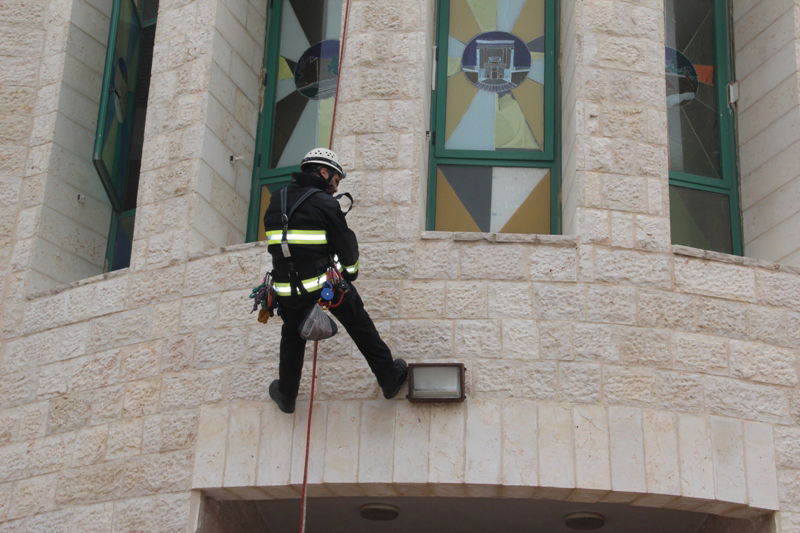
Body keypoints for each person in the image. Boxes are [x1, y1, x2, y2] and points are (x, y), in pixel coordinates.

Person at [263, 147, 407, 414]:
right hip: (322, 284)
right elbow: (346, 245)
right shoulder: (325, 202)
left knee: (292, 337)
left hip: (286, 288)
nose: (334, 186)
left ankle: (287, 395)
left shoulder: (276, 199)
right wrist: (349, 273)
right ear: (323, 171)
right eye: (336, 180)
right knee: (359, 322)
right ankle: (389, 377)